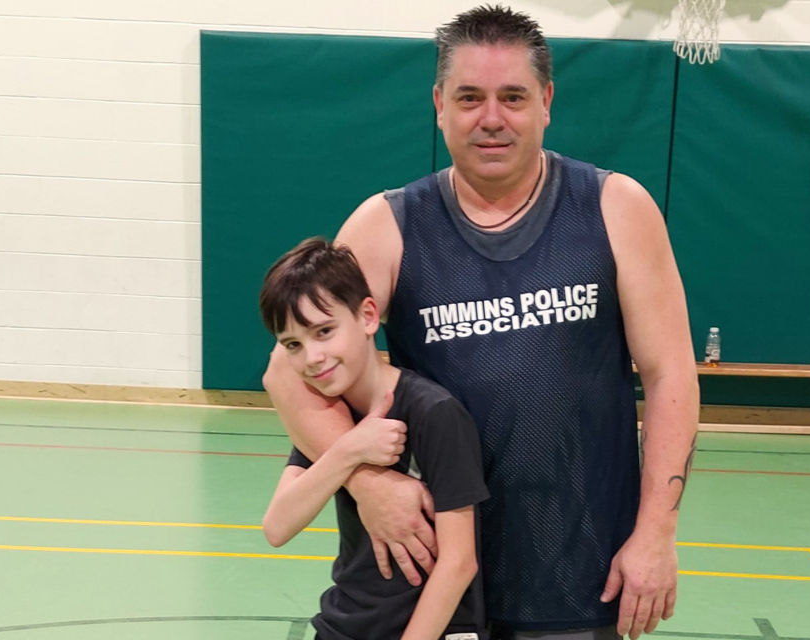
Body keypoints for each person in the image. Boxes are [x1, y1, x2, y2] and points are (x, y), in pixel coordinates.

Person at [263, 5, 700, 640]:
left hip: (581, 569)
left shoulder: (615, 208)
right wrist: (365, 480)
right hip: (431, 580)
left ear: (546, 101)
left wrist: (657, 533)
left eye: (513, 97)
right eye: (469, 97)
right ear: (439, 103)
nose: (490, 118)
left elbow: (671, 377)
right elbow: (289, 366)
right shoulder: (388, 224)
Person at [259, 238, 489, 640]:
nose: (312, 357)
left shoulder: (433, 412)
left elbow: (459, 562)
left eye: (324, 331)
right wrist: (347, 450)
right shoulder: (332, 415)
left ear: (367, 317)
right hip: (347, 623)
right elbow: (277, 527)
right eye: (293, 345)